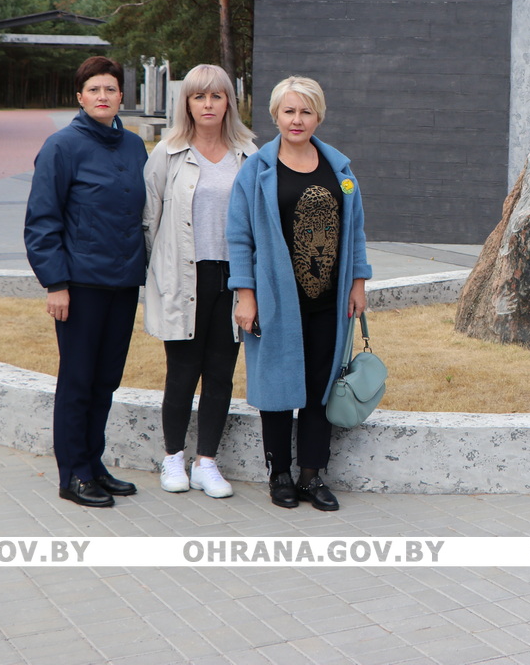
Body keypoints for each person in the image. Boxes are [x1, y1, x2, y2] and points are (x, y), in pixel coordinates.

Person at [226, 76, 370, 512]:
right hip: (274, 301)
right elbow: (239, 237)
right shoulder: (257, 171)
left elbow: (357, 231)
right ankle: (280, 475)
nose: (297, 119)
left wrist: (359, 282)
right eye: (289, 111)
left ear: (319, 116)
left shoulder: (339, 170)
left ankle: (311, 475)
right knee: (275, 388)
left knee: (318, 389)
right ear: (275, 115)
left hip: (329, 302)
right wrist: (244, 295)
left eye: (306, 111)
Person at [24, 55, 147, 509]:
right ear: (80, 96)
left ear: (120, 97)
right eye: (93, 89)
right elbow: (41, 222)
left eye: (110, 89)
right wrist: (55, 283)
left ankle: (94, 464)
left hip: (123, 283)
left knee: (106, 380)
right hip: (80, 287)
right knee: (77, 380)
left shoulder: (135, 148)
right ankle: (72, 473)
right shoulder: (61, 147)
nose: (102, 96)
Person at [143, 64, 257, 498]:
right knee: (182, 371)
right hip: (182, 278)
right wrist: (158, 278)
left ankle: (207, 460)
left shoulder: (248, 153)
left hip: (232, 278)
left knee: (221, 373)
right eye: (198, 97)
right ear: (186, 103)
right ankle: (173, 456)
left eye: (216, 96)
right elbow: (148, 222)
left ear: (229, 102)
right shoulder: (167, 154)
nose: (208, 105)